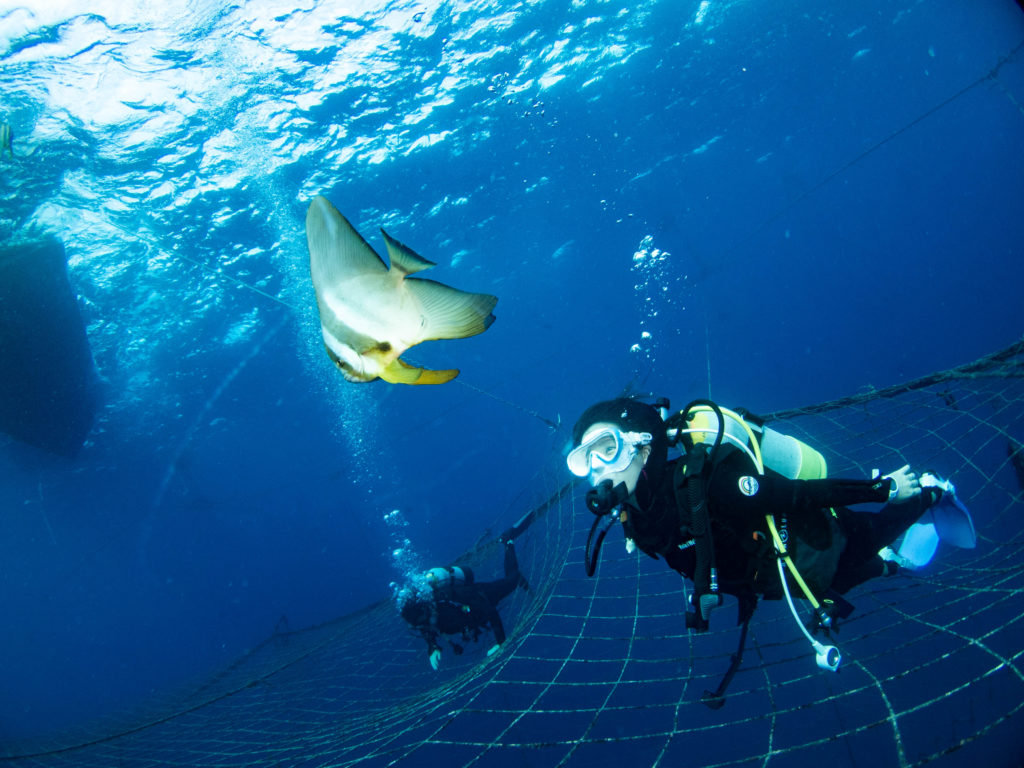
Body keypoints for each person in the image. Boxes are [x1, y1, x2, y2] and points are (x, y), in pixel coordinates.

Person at [566, 397, 975, 676]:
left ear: (642, 446)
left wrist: (881, 490)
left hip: (814, 540)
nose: (598, 468)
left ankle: (929, 491)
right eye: (586, 459)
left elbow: (799, 494)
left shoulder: (707, 484)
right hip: (778, 579)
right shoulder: (636, 517)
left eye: (607, 448)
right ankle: (890, 561)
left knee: (867, 539)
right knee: (857, 575)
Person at [398, 538, 529, 670]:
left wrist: (501, 641)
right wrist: (432, 647)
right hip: (474, 615)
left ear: (425, 610)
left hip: (482, 595)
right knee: (510, 582)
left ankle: (508, 541)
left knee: (512, 580)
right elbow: (426, 629)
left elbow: (489, 611)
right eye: (418, 624)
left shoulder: (449, 598)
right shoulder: (424, 619)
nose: (423, 625)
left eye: (422, 620)